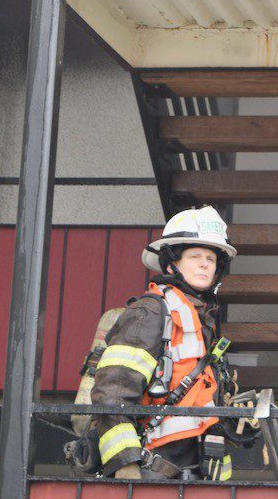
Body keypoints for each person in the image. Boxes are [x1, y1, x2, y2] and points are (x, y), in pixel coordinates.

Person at [92, 206, 237, 481]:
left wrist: (232, 426)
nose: (206, 264)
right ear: (172, 263)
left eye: (211, 258)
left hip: (199, 471)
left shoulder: (202, 320)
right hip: (154, 468)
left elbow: (202, 400)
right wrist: (126, 465)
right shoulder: (149, 313)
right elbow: (114, 390)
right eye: (195, 256)